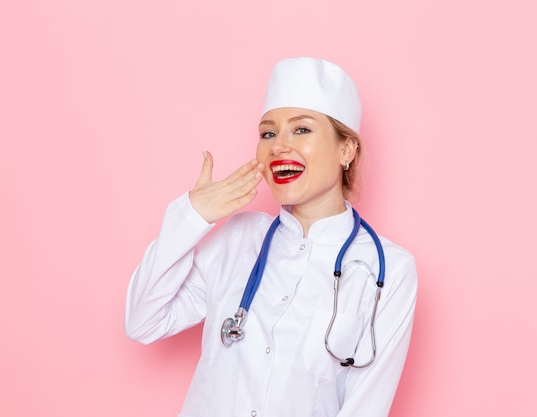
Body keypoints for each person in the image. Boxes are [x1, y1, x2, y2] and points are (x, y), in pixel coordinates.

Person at [125, 57, 418, 417]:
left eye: (302, 130)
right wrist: (191, 215)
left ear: (347, 149)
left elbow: (365, 408)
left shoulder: (388, 270)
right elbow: (142, 321)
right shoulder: (238, 238)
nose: (278, 146)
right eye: (268, 133)